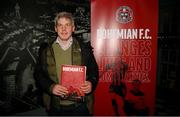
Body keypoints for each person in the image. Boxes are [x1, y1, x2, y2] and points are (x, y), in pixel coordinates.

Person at [34, 11, 99, 116]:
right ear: (55, 28)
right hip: (55, 107)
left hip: (80, 106)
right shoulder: (45, 49)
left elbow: (94, 71)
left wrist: (91, 82)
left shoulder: (84, 48)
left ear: (73, 28)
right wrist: (51, 87)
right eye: (60, 25)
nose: (63, 29)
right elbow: (38, 73)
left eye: (67, 25)